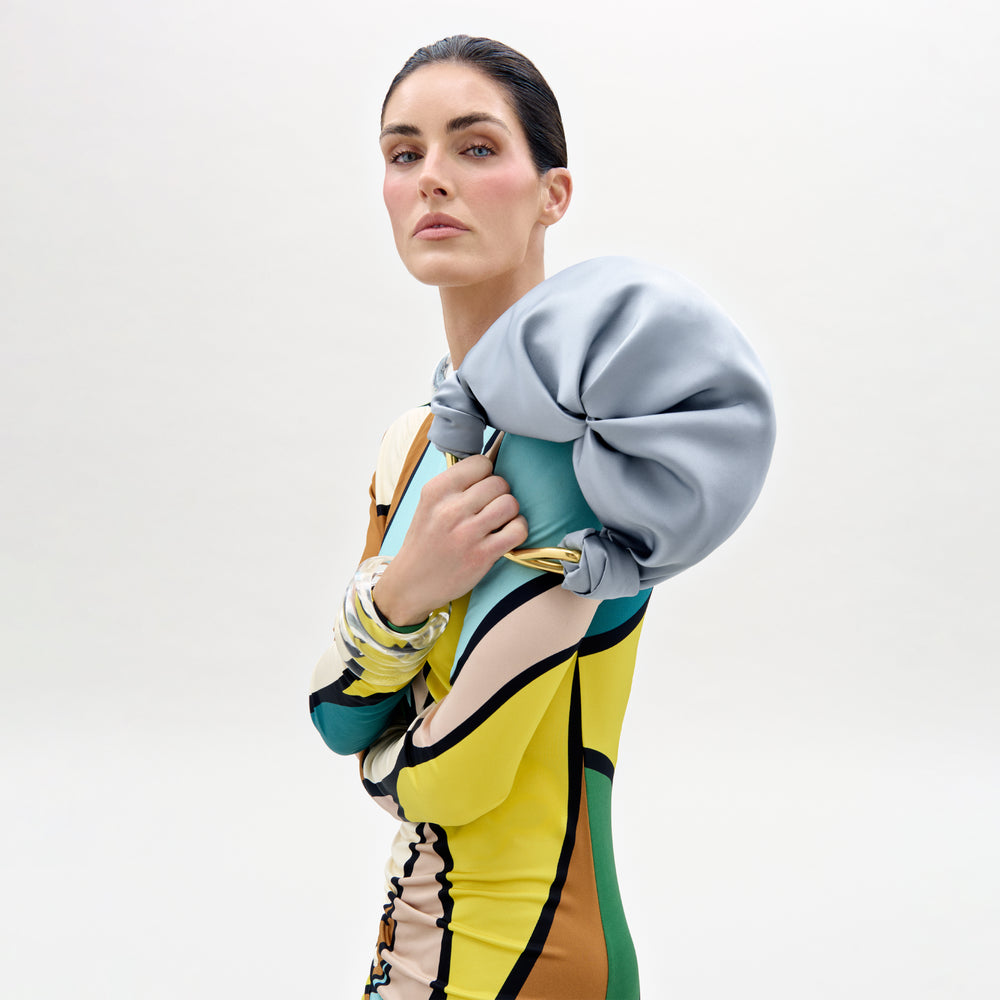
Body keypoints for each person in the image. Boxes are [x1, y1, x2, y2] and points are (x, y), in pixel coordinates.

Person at [309, 35, 776, 1000]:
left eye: (474, 148)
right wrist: (407, 589)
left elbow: (445, 778)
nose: (432, 178)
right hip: (410, 950)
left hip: (536, 959)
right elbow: (333, 715)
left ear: (551, 193)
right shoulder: (412, 444)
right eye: (405, 154)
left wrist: (375, 730)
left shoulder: (592, 464)